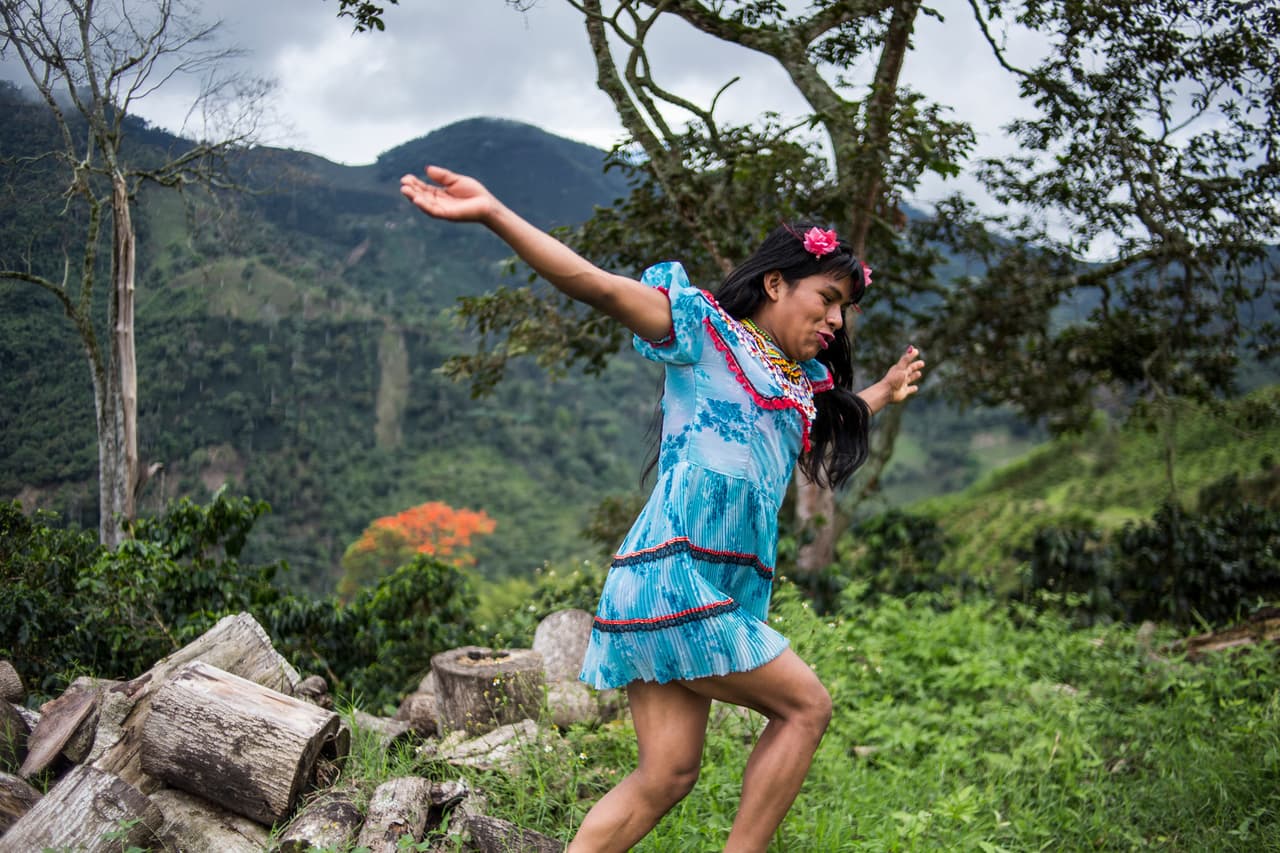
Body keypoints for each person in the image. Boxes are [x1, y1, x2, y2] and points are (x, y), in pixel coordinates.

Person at [401, 165, 924, 853]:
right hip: (672, 579)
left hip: (716, 589)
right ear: (775, 283)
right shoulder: (703, 331)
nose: (835, 321)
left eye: (843, 310)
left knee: (668, 773)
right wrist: (495, 212)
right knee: (807, 707)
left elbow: (823, 422)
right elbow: (595, 284)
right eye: (827, 299)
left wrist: (882, 389)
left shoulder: (798, 386)